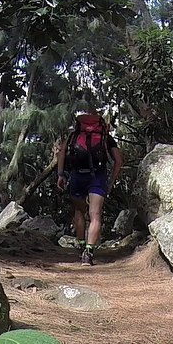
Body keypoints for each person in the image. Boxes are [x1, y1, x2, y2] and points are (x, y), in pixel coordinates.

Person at [56, 110, 123, 266]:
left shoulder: (73, 136)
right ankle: (88, 254)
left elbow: (61, 153)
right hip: (98, 177)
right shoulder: (105, 138)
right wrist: (111, 181)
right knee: (95, 215)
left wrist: (61, 174)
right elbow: (119, 161)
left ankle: (81, 245)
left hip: (77, 176)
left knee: (79, 211)